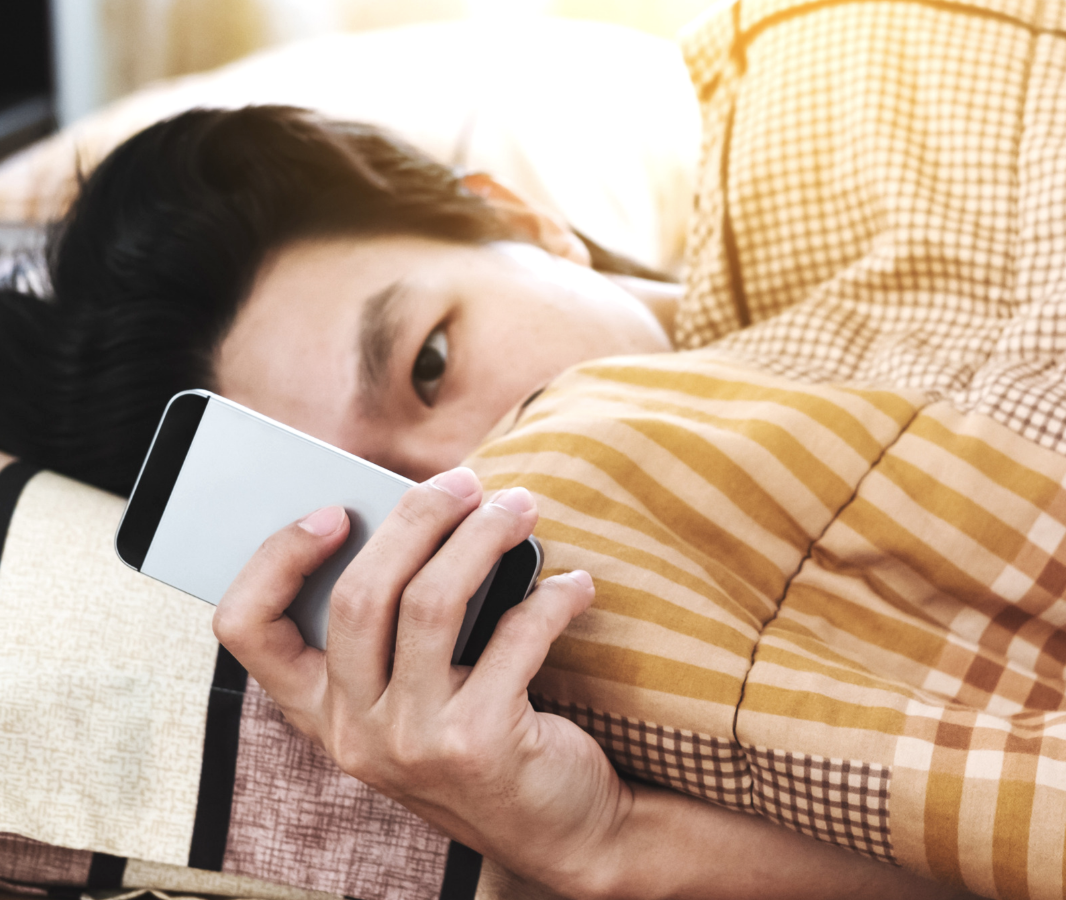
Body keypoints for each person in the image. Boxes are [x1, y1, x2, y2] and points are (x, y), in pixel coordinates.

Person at [0, 107, 972, 899]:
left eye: (429, 363)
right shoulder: (612, 699)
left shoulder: (895, 185)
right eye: (381, 512)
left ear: (520, 220)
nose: (467, 480)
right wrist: (609, 845)